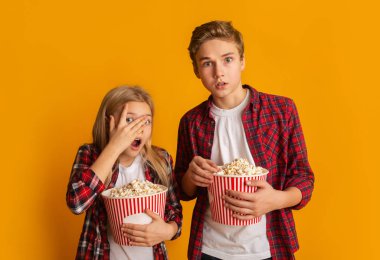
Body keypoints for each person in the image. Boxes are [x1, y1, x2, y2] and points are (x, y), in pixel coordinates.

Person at [174, 20, 314, 260]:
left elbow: (304, 179)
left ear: (242, 61)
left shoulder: (282, 110)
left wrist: (275, 200)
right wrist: (190, 176)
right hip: (209, 248)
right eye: (207, 63)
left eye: (227, 59)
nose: (219, 72)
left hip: (267, 247)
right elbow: (183, 192)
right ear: (197, 71)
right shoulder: (191, 121)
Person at [66, 85, 182, 260]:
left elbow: (175, 213)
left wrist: (168, 230)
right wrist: (115, 146)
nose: (139, 128)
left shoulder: (160, 160)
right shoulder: (91, 154)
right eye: (129, 120)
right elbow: (76, 203)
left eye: (146, 121)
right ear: (109, 123)